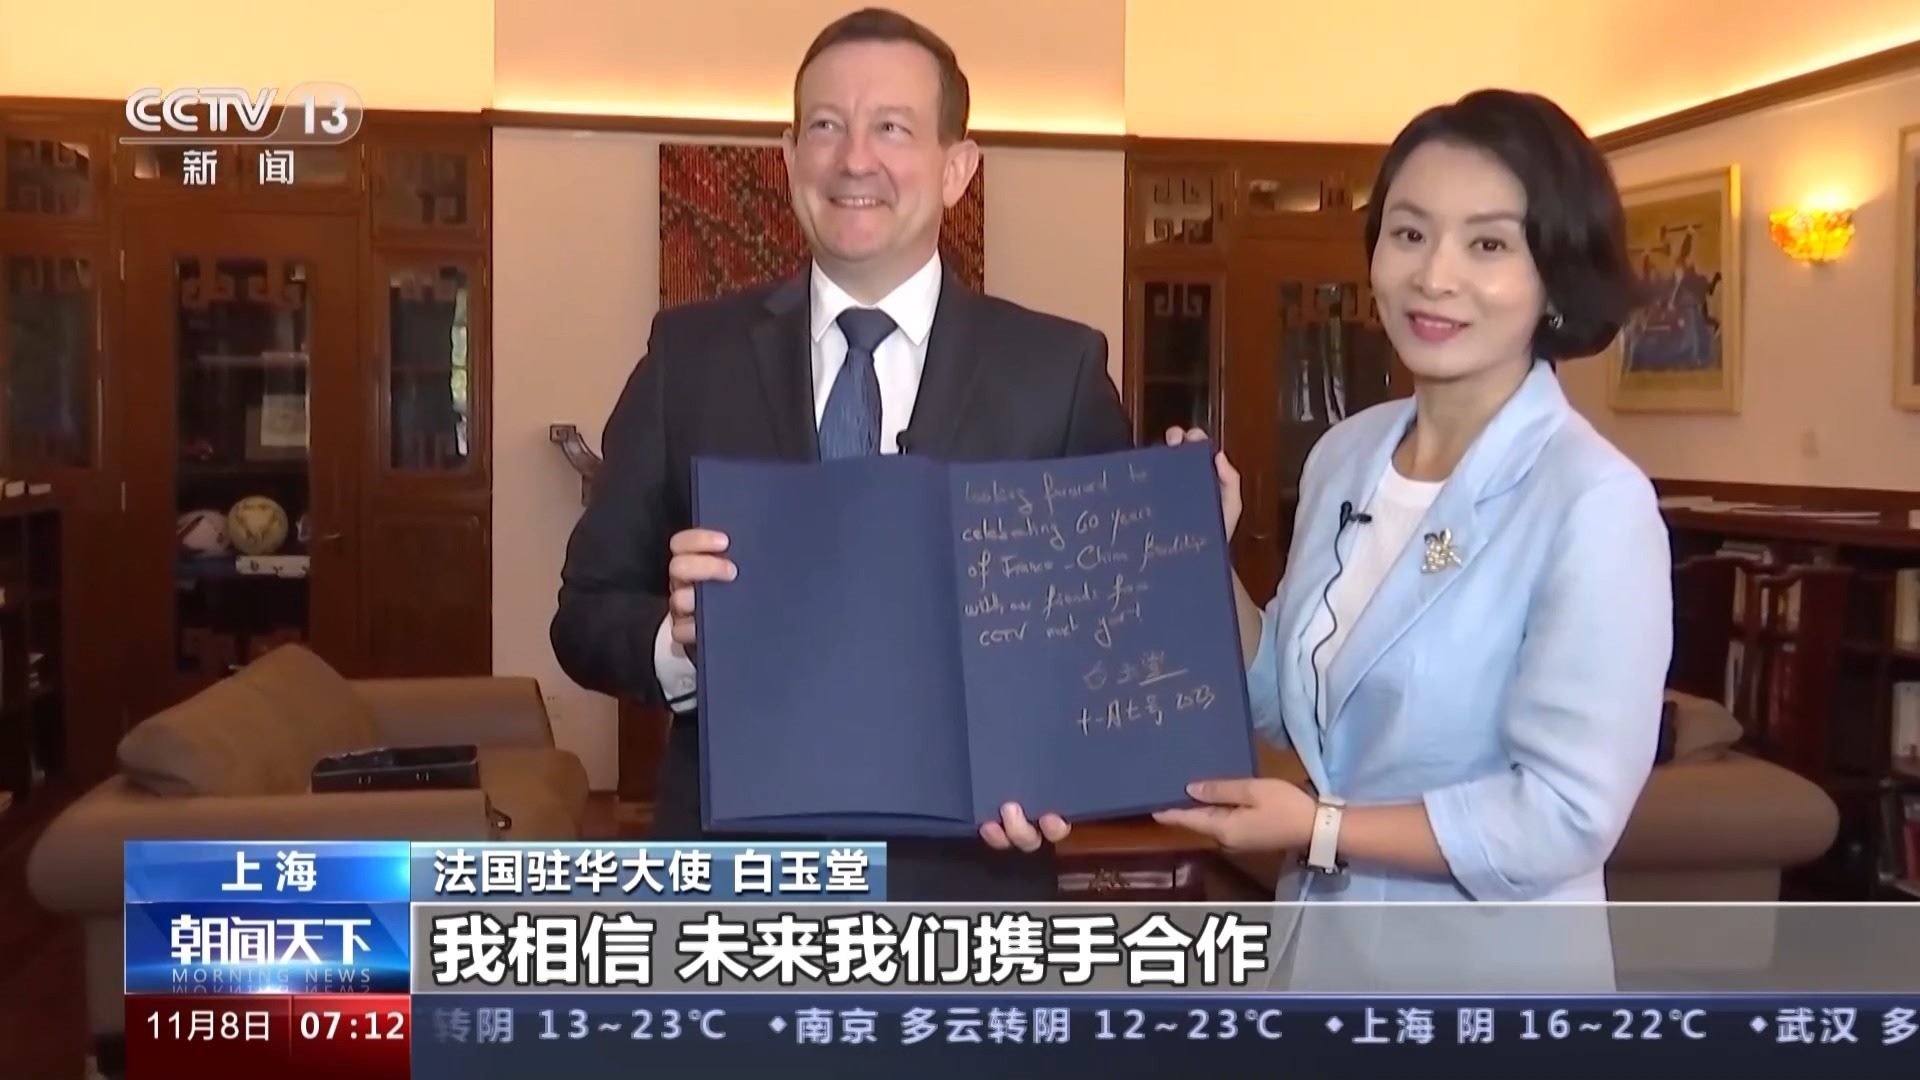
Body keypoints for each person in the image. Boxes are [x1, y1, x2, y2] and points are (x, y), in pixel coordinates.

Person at [550, 7, 1133, 900]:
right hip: (733, 885)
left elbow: (1111, 641)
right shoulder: (689, 358)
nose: (854, 159)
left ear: (957, 167)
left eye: (892, 128)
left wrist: (1062, 765)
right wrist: (679, 644)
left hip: (967, 883)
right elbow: (584, 615)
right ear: (790, 159)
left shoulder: (1057, 372)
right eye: (825, 127)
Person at [1149, 89, 1672, 921]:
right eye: (1409, 233)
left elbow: (1565, 817)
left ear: (1557, 278)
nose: (1434, 277)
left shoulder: (1594, 501)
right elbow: (1286, 704)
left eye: (1488, 243)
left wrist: (1322, 828)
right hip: (1321, 949)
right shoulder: (1345, 455)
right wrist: (1202, 554)